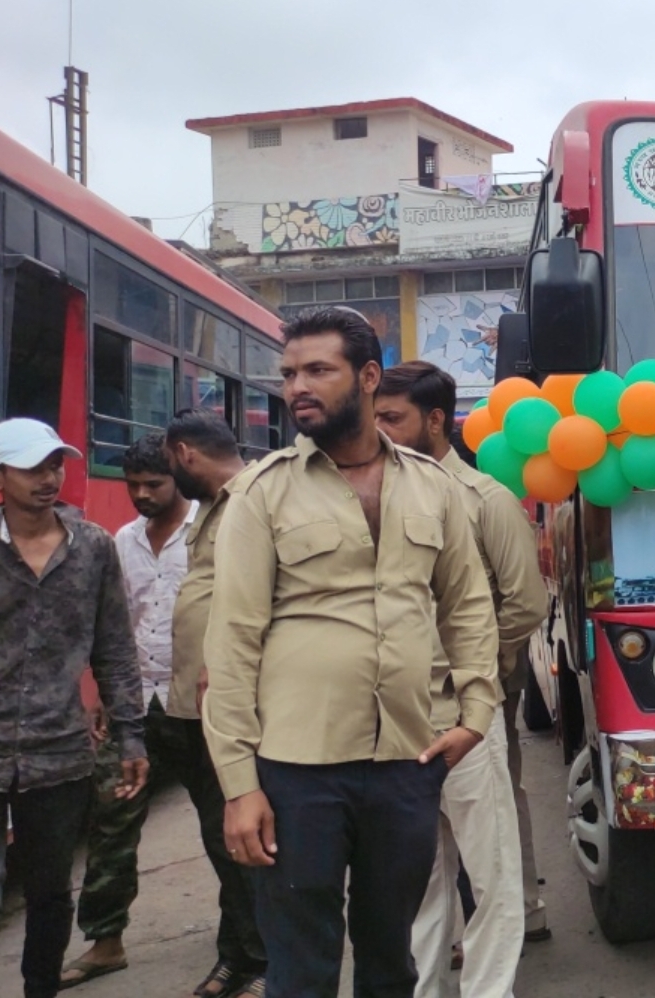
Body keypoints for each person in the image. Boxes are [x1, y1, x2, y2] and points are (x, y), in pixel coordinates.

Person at [202, 307, 500, 998]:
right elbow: (234, 640)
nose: (296, 387)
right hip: (296, 769)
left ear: (367, 377)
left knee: (392, 958)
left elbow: (466, 605)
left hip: (405, 762)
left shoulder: (435, 488)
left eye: (317, 370)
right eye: (288, 374)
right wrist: (240, 786)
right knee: (302, 966)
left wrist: (476, 714)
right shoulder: (261, 492)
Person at [376, 361, 545, 997]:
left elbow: (524, 605)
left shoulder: (487, 500)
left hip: (470, 714)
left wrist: (473, 675)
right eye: (375, 418)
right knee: (419, 876)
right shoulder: (372, 497)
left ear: (437, 420)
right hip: (393, 721)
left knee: (490, 867)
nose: (380, 431)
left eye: (393, 418)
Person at [0, 418, 147, 998]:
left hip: (59, 753)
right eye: (32, 468)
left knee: (50, 892)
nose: (49, 478)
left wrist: (131, 735)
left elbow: (113, 647)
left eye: (55, 464)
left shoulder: (94, 549)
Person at [59, 435, 193, 988]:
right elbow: (112, 626)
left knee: (222, 828)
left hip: (199, 706)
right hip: (134, 707)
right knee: (112, 826)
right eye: (133, 485)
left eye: (152, 485)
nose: (140, 495)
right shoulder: (123, 539)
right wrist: (101, 697)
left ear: (178, 481)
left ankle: (247, 939)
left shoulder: (210, 532)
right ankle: (105, 941)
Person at [163, 407, 267, 997]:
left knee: (254, 845)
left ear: (184, 454)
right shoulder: (208, 509)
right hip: (194, 714)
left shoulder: (255, 497)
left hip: (235, 712)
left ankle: (267, 962)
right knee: (221, 845)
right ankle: (239, 956)